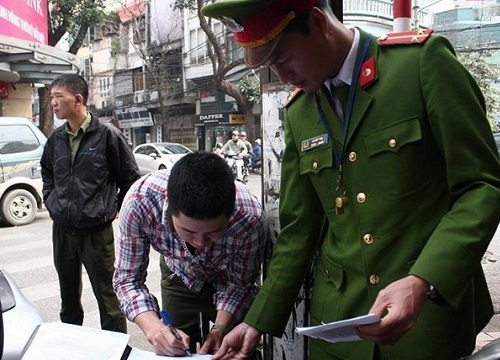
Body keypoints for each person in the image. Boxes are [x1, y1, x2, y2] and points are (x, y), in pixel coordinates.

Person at [201, 0, 500, 359]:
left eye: (281, 58)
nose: (281, 76)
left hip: (425, 323)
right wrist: (256, 321)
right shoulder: (301, 111)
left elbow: (482, 186)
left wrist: (425, 279)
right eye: (267, 66)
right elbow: (300, 229)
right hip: (339, 330)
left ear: (316, 22)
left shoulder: (420, 65)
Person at [113, 152, 266, 356]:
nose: (200, 243)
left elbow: (240, 285)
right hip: (179, 273)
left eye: (213, 233)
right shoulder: (140, 203)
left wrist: (220, 329)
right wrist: (154, 328)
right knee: (174, 348)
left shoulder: (249, 218)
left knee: (235, 349)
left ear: (229, 216)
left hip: (227, 276)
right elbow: (127, 280)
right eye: (188, 232)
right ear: (170, 211)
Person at [41, 74, 140, 333]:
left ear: (78, 99)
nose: (53, 102)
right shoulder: (56, 139)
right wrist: (52, 202)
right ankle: (75, 348)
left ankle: (116, 349)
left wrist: (112, 209)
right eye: (52, 97)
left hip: (96, 233)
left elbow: (130, 179)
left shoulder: (108, 136)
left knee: (108, 299)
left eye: (58, 96)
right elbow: (47, 173)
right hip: (63, 231)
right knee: (68, 300)